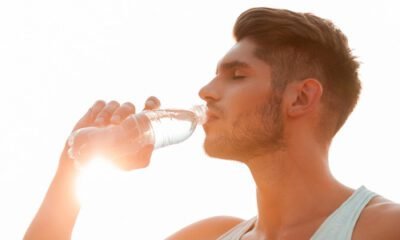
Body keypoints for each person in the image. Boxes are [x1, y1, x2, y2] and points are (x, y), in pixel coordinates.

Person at [24, 7, 400, 240]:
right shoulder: (210, 235)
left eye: (236, 75)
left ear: (300, 98)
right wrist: (72, 167)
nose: (205, 91)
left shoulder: (384, 229)